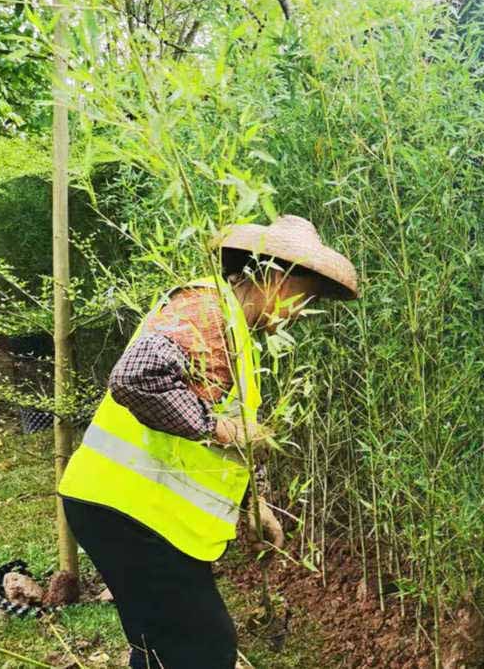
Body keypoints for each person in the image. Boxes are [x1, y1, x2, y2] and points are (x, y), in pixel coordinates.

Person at [58, 215, 358, 669]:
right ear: (274, 277)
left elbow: (225, 438)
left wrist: (252, 502)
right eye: (304, 296)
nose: (301, 312)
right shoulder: (209, 309)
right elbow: (136, 377)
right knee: (203, 648)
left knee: (166, 645)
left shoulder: (235, 331)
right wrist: (218, 429)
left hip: (135, 514)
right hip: (131, 514)